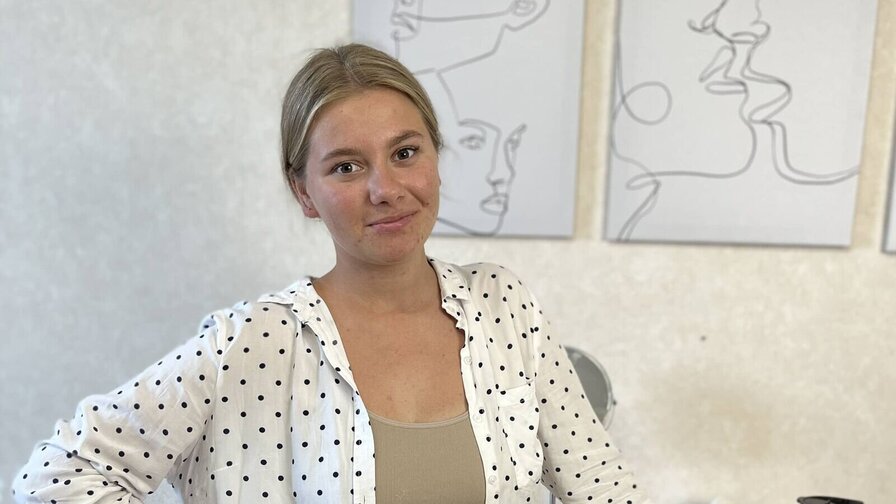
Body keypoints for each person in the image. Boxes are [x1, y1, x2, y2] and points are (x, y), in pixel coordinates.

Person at [12, 43, 650, 504]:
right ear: (304, 193)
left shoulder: (502, 306)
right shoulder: (254, 341)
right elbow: (58, 476)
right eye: (346, 167)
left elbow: (605, 487)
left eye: (405, 153)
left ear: (435, 158)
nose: (385, 189)